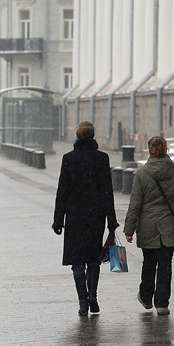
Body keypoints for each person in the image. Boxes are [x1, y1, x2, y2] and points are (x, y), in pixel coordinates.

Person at [52, 121, 119, 316]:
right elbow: (108, 191)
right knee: (93, 259)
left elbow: (61, 192)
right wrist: (111, 220)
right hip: (95, 217)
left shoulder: (68, 159)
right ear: (93, 137)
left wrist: (58, 220)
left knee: (77, 262)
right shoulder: (101, 158)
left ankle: (83, 302)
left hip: (74, 217)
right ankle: (93, 297)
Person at [124, 136, 174, 316]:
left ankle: (146, 297)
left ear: (149, 150)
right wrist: (173, 199)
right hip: (170, 225)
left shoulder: (142, 173)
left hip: (147, 225)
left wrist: (129, 229)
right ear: (166, 149)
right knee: (165, 265)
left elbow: (135, 203)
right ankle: (162, 303)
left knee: (149, 262)